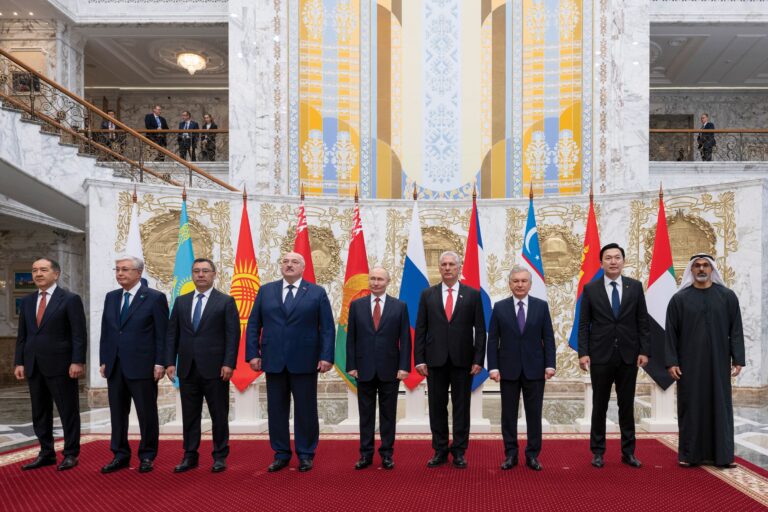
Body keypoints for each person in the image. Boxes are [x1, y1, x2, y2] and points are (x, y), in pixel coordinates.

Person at [245, 252, 335, 473]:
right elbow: (254, 324)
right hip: (273, 359)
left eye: (294, 262)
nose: (289, 265)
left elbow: (327, 328)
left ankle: (305, 454)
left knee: (306, 410)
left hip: (305, 360)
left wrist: (326, 356)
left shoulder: (316, 292)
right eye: (285, 261)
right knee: (276, 410)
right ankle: (281, 454)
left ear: (303, 267)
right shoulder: (266, 291)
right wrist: (253, 354)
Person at [665, 254, 745, 468]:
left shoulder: (727, 297)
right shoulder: (679, 299)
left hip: (719, 361)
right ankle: (690, 455)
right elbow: (671, 333)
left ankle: (723, 456)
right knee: (691, 405)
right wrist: (671, 362)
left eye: (706, 265)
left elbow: (736, 329)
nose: (701, 269)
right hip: (689, 364)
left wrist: (738, 358)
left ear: (712, 269)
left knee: (720, 405)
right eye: (697, 266)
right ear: (691, 270)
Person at [578, 243, 649, 469]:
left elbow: (642, 321)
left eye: (617, 257)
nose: (613, 261)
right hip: (600, 355)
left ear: (623, 261)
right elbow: (583, 324)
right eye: (608, 258)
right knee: (599, 405)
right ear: (601, 263)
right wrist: (583, 353)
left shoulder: (635, 287)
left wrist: (644, 350)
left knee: (626, 405)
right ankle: (598, 452)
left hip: (629, 355)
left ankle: (628, 452)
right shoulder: (591, 289)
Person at [166, 258, 239, 473]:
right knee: (190, 416)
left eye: (205, 271)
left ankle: (220, 456)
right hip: (187, 368)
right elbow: (172, 334)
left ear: (214, 274)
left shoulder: (225, 301)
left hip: (216, 369)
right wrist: (170, 362)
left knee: (219, 415)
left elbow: (232, 336)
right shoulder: (181, 301)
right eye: (196, 271)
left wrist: (229, 363)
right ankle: (190, 455)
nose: (200, 275)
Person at [414, 251, 486, 469]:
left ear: (459, 267)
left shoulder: (472, 295)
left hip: (463, 361)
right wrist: (419, 359)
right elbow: (421, 329)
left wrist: (478, 359)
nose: (447, 268)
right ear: (439, 268)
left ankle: (459, 451)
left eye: (451, 264)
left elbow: (480, 330)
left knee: (461, 407)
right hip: (434, 361)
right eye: (444, 264)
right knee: (437, 407)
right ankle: (440, 450)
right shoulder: (427, 295)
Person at [14, 258, 86, 471]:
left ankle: (71, 453)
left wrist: (77, 361)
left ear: (56, 274)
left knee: (67, 411)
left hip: (62, 365)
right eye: (34, 270)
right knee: (39, 412)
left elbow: (78, 334)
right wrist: (19, 361)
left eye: (43, 270)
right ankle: (46, 452)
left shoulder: (70, 299)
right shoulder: (27, 301)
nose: (38, 274)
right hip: (34, 365)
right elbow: (22, 335)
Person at [99, 256, 168, 474]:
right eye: (117, 269)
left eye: (125, 269)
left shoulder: (154, 298)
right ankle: (120, 454)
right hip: (115, 366)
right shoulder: (111, 297)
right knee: (117, 414)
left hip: (143, 366)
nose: (120, 273)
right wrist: (104, 359)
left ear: (138, 273)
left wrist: (160, 362)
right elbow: (106, 331)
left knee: (146, 414)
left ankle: (147, 455)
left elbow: (162, 334)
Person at [487, 266, 555, 471]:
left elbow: (548, 338)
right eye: (515, 281)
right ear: (510, 284)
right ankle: (511, 454)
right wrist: (493, 367)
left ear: (530, 284)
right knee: (508, 415)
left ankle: (532, 455)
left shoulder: (541, 306)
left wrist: (550, 364)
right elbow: (493, 340)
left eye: (524, 281)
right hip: (508, 370)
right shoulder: (499, 307)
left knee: (534, 414)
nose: (519, 284)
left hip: (535, 369)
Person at [346, 266, 410, 470]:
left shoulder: (399, 306)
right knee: (365, 415)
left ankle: (387, 454)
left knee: (388, 415)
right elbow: (351, 337)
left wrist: (404, 367)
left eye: (380, 279)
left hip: (390, 369)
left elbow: (405, 339)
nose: (375, 282)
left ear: (388, 282)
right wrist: (351, 365)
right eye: (372, 278)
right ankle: (365, 455)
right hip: (363, 368)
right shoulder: (356, 305)